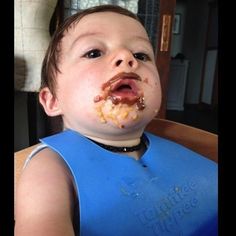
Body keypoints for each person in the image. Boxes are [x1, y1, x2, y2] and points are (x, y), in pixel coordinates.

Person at [15, 5, 218, 236]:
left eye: (141, 55)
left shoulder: (177, 142)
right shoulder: (51, 168)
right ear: (52, 101)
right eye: (93, 52)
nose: (127, 57)